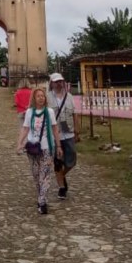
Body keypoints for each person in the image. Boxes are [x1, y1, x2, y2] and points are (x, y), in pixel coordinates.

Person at [17, 86, 62, 215]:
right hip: (32, 148)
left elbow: (54, 129)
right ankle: (40, 196)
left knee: (45, 175)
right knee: (36, 175)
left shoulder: (50, 112)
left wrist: (58, 146)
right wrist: (20, 143)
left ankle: (42, 202)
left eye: (43, 96)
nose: (41, 98)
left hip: (47, 147)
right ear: (34, 98)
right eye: (38, 96)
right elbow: (25, 129)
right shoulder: (30, 112)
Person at [47, 72, 79, 200]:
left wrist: (77, 130)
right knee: (58, 162)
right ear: (52, 83)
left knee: (71, 161)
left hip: (68, 132)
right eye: (56, 81)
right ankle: (61, 188)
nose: (59, 83)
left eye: (61, 81)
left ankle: (61, 175)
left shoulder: (69, 96)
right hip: (54, 134)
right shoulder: (47, 97)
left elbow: (75, 113)